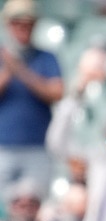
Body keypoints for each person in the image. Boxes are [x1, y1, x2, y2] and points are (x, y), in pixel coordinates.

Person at [0, 0, 64, 199]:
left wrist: (21, 70)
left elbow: (57, 92)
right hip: (3, 148)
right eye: (17, 22)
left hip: (38, 149)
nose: (23, 28)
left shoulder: (46, 57)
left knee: (35, 208)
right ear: (8, 24)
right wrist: (8, 70)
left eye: (28, 23)